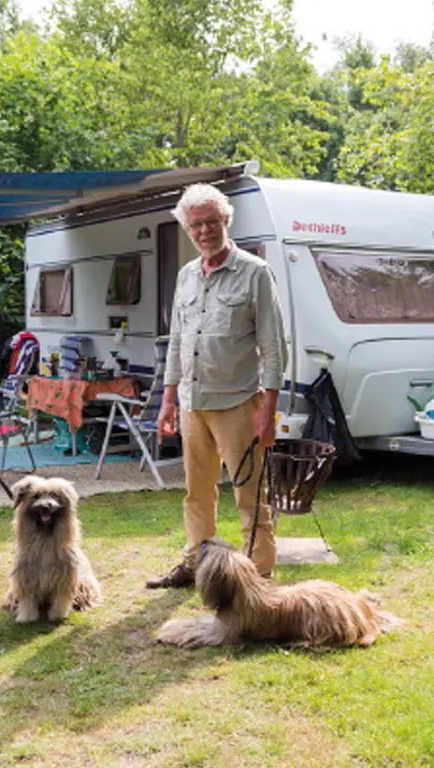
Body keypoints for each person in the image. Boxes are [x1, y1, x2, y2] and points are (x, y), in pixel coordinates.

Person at [147, 183, 287, 588]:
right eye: (196, 225)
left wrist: (268, 411)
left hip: (239, 403)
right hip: (192, 404)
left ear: (226, 221)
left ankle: (258, 575)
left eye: (211, 222)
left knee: (249, 494)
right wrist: (168, 400)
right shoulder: (187, 276)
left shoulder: (255, 273)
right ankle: (196, 566)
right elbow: (176, 341)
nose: (204, 231)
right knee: (196, 494)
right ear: (187, 230)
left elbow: (273, 347)